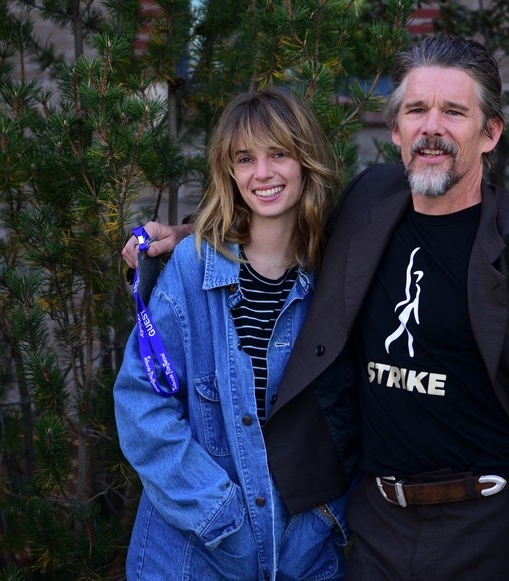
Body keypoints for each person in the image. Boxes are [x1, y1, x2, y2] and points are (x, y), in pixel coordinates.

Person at [124, 35, 509, 581]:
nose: (432, 127)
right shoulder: (368, 205)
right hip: (377, 530)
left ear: (490, 132)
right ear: (396, 129)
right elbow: (277, 216)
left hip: (488, 528)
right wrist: (187, 234)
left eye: (454, 111)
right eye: (416, 110)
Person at [114, 90, 349, 581]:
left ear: (305, 161)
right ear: (230, 173)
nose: (262, 173)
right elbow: (143, 405)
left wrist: (327, 521)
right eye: (246, 159)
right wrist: (221, 519)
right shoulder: (191, 268)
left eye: (279, 153)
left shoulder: (338, 276)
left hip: (303, 554)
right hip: (190, 555)